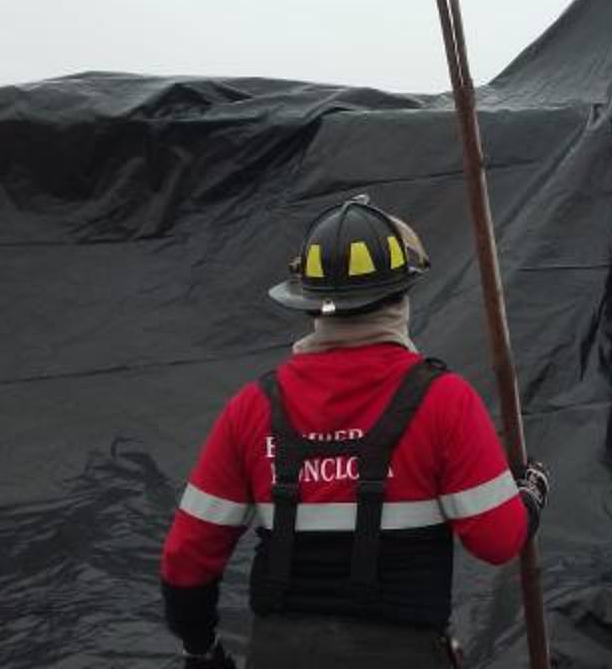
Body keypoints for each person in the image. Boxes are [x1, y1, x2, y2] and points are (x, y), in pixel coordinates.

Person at [159, 198, 549, 668]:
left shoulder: (253, 407)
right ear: (402, 293)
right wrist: (528, 494)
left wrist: (201, 650)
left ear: (308, 302)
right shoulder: (445, 402)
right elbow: (498, 539)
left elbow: (186, 559)